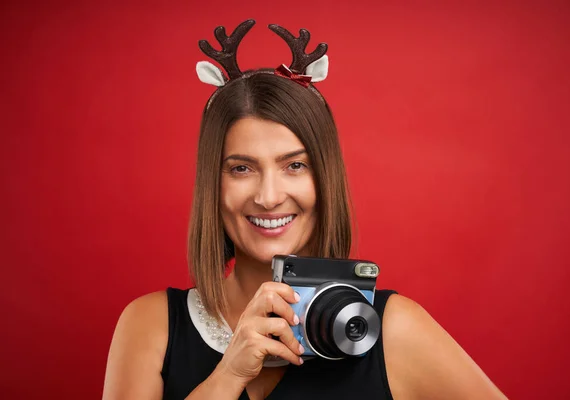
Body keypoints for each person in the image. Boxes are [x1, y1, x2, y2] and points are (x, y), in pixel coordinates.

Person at [102, 20, 507, 400]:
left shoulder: (395, 328)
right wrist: (228, 376)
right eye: (241, 168)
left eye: (294, 165)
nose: (269, 196)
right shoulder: (150, 326)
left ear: (323, 178)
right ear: (213, 183)